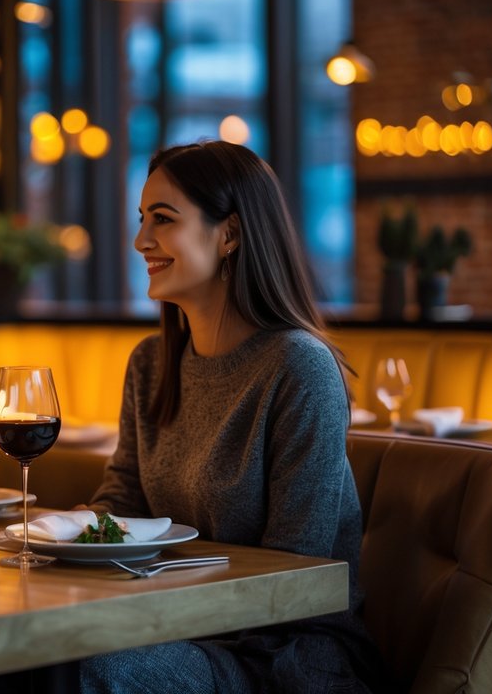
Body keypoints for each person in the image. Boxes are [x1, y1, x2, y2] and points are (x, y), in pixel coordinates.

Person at [74, 140, 387, 692]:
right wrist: (76, 534)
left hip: (282, 658)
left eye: (162, 220)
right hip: (175, 627)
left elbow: (294, 572)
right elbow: (122, 500)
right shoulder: (151, 362)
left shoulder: (298, 367)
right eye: (141, 218)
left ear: (231, 235)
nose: (140, 240)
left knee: (98, 668)